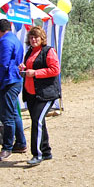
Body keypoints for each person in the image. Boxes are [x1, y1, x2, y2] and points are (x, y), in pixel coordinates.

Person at [19, 26, 61, 166]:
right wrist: (24, 69)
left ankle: (37, 154)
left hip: (46, 94)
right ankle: (46, 151)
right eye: (31, 37)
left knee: (37, 121)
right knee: (39, 121)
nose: (33, 40)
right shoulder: (29, 52)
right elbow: (29, 68)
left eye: (36, 37)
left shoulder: (49, 51)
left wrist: (35, 73)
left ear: (42, 38)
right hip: (31, 93)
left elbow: (55, 70)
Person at [0, 19, 27, 161]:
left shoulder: (5, 42)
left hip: (8, 81)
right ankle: (20, 142)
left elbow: (3, 64)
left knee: (7, 116)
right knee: (14, 113)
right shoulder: (15, 39)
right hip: (15, 80)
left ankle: (7, 147)